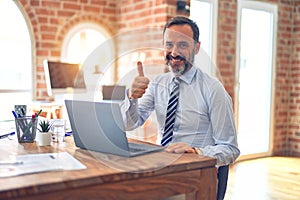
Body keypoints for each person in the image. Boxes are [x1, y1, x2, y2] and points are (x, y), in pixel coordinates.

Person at [121, 16, 240, 198]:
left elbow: (230, 149)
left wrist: (196, 152)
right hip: (163, 170)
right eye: (169, 45)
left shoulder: (213, 89)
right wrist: (132, 98)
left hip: (196, 178)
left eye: (183, 45)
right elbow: (130, 124)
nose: (174, 52)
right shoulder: (158, 83)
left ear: (196, 47)